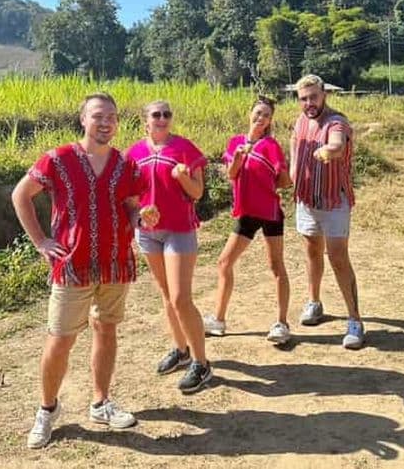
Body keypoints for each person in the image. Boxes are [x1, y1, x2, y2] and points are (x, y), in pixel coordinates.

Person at [12, 92, 158, 449]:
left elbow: (130, 207)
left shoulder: (125, 166)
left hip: (114, 264)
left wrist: (142, 217)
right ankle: (47, 410)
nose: (105, 122)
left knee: (106, 330)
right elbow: (21, 194)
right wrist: (41, 241)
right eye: (98, 116)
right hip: (72, 266)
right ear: (83, 120)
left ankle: (101, 402)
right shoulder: (58, 159)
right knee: (60, 339)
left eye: (111, 116)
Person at [125, 100, 213, 393]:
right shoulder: (134, 154)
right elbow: (130, 197)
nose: (162, 119)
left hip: (179, 231)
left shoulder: (186, 148)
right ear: (145, 121)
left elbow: (197, 193)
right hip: (148, 233)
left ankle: (201, 363)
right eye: (156, 115)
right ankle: (181, 348)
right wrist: (139, 214)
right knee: (166, 295)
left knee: (180, 298)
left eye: (167, 114)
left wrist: (183, 176)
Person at [203, 96, 294, 345]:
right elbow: (232, 175)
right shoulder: (235, 143)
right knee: (224, 262)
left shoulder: (271, 146)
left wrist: (282, 174)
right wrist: (238, 160)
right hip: (246, 213)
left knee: (276, 265)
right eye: (258, 112)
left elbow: (285, 182)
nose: (261, 118)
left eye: (266, 115)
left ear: (270, 121)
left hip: (270, 212)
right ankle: (218, 320)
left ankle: (281, 323)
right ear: (249, 113)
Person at [290, 74, 366, 349]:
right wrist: (291, 171)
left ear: (324, 94)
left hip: (334, 200)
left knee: (338, 257)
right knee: (311, 251)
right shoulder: (301, 121)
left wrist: (328, 151)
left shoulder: (336, 121)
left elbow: (337, 144)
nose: (309, 103)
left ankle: (355, 319)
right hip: (307, 199)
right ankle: (314, 302)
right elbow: (294, 144)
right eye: (303, 98)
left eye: (313, 96)